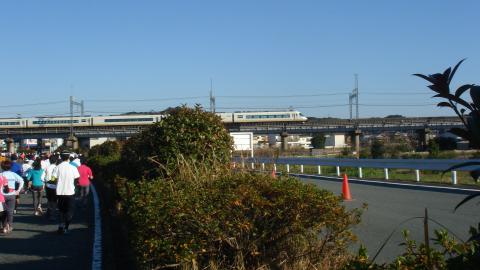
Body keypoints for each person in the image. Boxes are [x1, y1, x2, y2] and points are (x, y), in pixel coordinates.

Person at [53, 152, 80, 234]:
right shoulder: (73, 167)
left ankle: (61, 226)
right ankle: (66, 227)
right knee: (69, 211)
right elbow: (77, 179)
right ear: (68, 157)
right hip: (70, 191)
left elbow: (53, 179)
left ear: (60, 157)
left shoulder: (57, 167)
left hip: (60, 192)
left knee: (61, 210)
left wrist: (58, 183)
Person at [1, 160, 24, 234]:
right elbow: (21, 180)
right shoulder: (13, 174)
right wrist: (18, 190)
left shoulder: (1, 175)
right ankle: (10, 225)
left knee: (3, 211)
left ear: (2, 167)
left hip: (2, 195)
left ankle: (4, 227)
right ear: (10, 167)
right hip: (12, 194)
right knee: (10, 211)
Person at [45, 155, 60, 220]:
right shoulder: (57, 168)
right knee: (54, 201)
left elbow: (43, 177)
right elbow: (56, 178)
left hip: (48, 185)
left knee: (49, 199)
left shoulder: (47, 168)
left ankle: (49, 211)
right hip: (55, 186)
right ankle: (52, 215)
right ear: (56, 161)